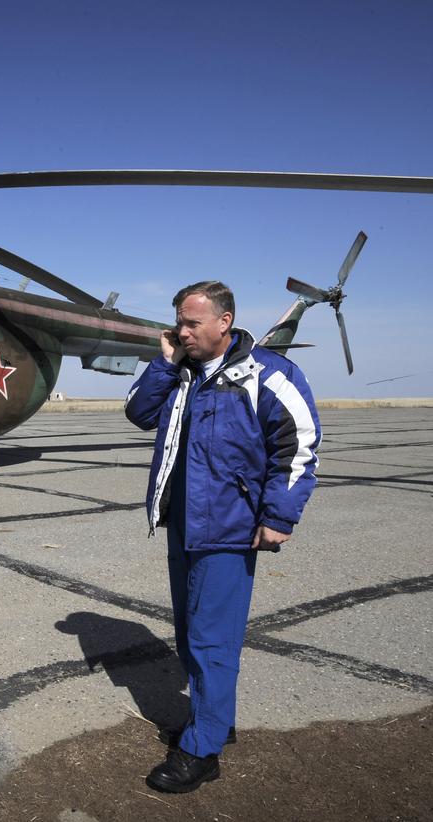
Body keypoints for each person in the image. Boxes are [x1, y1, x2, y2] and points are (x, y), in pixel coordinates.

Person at [124, 281, 321, 793]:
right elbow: (139, 413)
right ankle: (212, 719)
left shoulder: (268, 375)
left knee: (213, 639)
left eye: (191, 323)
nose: (181, 331)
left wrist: (279, 515)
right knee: (191, 633)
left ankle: (203, 750)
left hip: (230, 529)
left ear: (224, 322)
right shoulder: (182, 374)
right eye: (179, 323)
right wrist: (166, 363)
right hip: (183, 524)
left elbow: (298, 447)